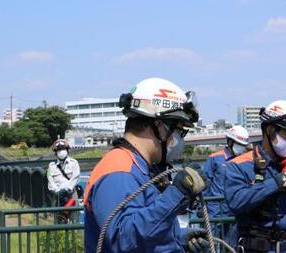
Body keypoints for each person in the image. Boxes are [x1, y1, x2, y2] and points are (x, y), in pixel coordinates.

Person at [83, 77, 210, 253]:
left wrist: (179, 240)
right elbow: (123, 240)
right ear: (160, 126)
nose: (180, 139)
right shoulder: (119, 172)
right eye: (180, 131)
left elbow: (145, 232)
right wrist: (177, 194)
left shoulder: (141, 169)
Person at [224, 100, 286, 252]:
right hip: (256, 248)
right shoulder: (239, 165)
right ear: (269, 131)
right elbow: (236, 202)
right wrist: (276, 183)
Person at [202, 125, 249, 245]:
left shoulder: (244, 160)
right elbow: (205, 183)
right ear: (230, 142)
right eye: (239, 144)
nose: (241, 148)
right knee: (211, 243)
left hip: (235, 210)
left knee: (231, 245)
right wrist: (202, 206)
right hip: (215, 210)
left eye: (243, 145)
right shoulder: (214, 158)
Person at [47, 139, 81, 208]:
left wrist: (66, 190)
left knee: (74, 217)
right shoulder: (51, 166)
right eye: (59, 150)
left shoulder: (74, 163)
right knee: (58, 217)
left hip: (71, 196)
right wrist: (57, 192)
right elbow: (50, 181)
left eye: (63, 149)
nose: (61, 152)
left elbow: (76, 177)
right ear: (55, 153)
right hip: (57, 197)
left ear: (67, 150)